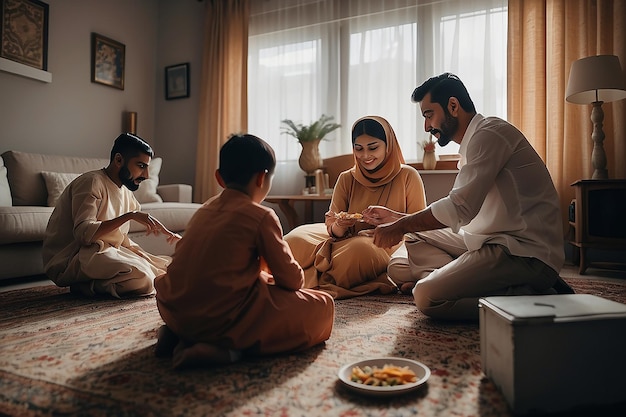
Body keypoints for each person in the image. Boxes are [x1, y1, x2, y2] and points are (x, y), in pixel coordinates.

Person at [364, 73, 573, 321]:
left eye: (429, 115)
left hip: (522, 253)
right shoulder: (474, 144)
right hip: (487, 240)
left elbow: (459, 209)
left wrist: (399, 225)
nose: (426, 127)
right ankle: (460, 282)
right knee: (404, 254)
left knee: (426, 296)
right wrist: (399, 219)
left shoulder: (490, 134)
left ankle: (535, 296)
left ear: (453, 106)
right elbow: (460, 215)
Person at [154, 134, 334, 369]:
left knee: (252, 288)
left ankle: (178, 334)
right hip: (220, 320)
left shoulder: (203, 210)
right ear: (262, 178)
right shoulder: (261, 216)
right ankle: (228, 351)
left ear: (219, 178)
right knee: (322, 306)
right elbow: (291, 281)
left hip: (173, 309)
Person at [284, 116, 427, 299]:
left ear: (388, 145)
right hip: (342, 238)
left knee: (358, 252)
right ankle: (315, 273)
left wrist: (388, 223)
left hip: (386, 243)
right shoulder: (346, 178)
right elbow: (332, 227)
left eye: (373, 148)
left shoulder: (408, 176)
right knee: (294, 239)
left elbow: (419, 227)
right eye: (359, 149)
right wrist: (341, 225)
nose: (365, 156)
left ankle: (308, 278)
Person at [42, 133, 181, 298]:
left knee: (165, 270)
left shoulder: (125, 191)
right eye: (141, 166)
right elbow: (83, 234)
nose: (146, 175)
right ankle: (84, 286)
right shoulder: (92, 182)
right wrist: (130, 215)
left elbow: (120, 239)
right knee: (143, 279)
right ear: (118, 160)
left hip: (104, 251)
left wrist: (145, 255)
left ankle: (96, 282)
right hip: (76, 256)